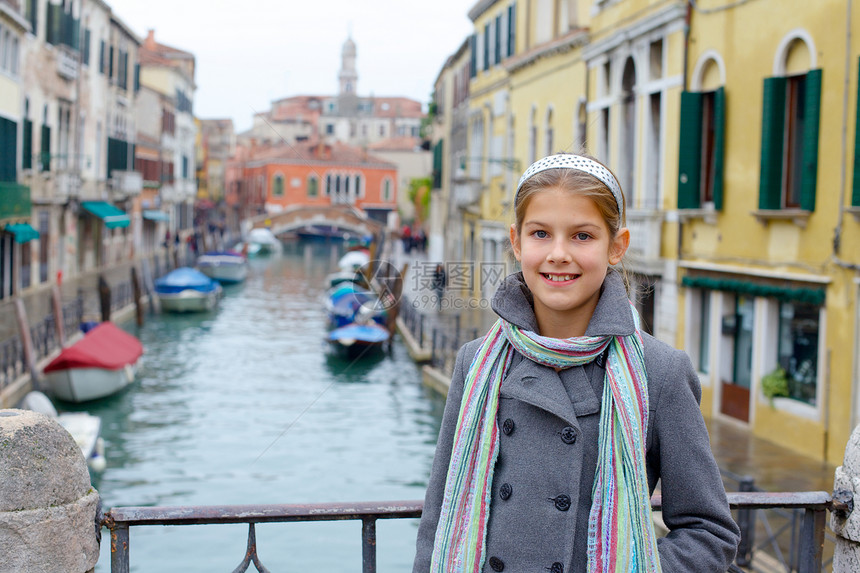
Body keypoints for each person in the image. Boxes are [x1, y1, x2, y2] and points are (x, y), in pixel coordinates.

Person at [413, 153, 740, 573]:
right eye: (541, 234)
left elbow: (708, 531)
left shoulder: (661, 372)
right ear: (516, 242)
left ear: (616, 247)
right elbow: (439, 517)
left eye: (582, 236)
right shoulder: (475, 363)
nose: (558, 254)